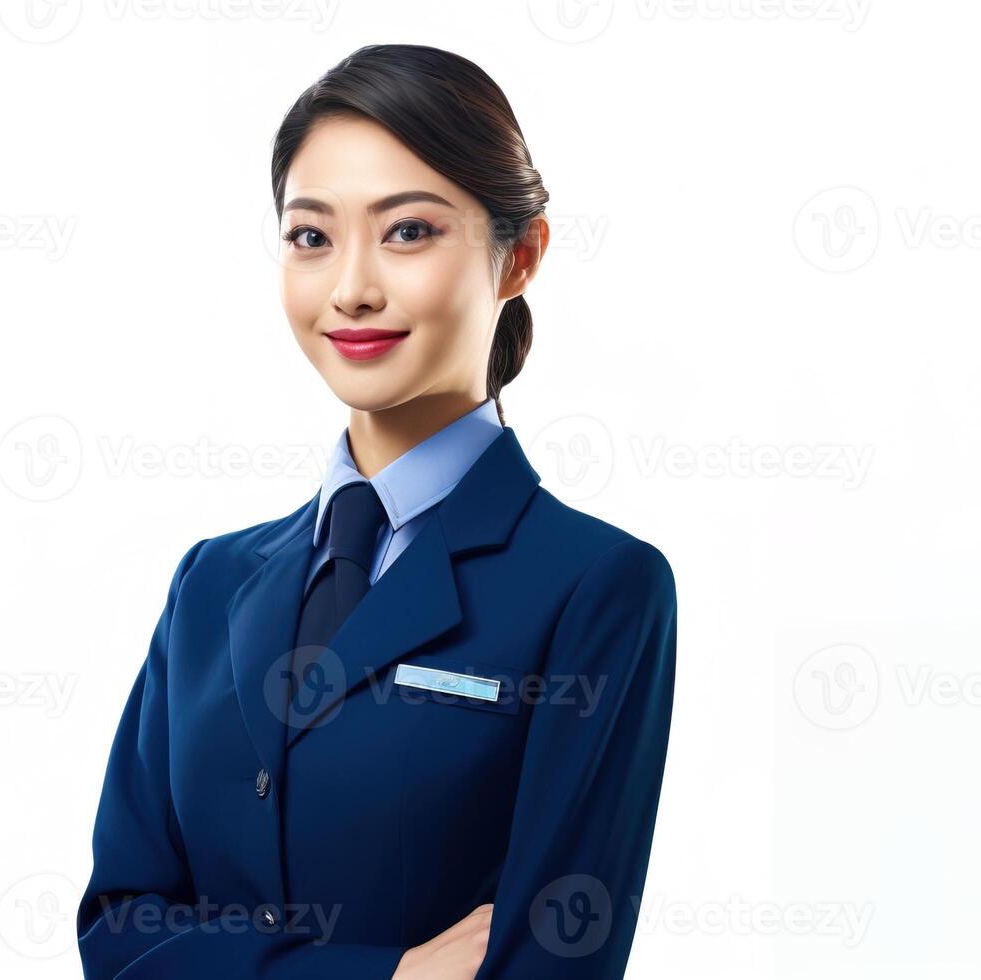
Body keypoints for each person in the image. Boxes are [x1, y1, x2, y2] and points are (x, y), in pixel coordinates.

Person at [77, 43, 677, 980]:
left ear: (519, 255)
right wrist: (389, 976)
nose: (351, 287)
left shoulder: (596, 587)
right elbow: (117, 935)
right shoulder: (210, 582)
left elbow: (547, 961)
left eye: (407, 232)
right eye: (311, 237)